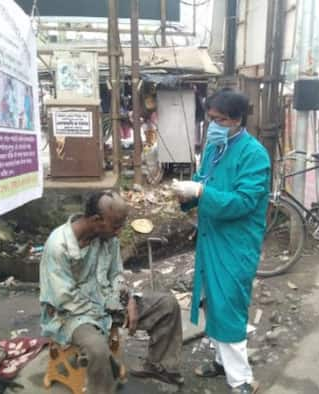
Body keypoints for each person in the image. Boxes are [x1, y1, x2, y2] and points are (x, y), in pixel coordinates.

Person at [173, 89, 270, 394]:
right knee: (212, 301)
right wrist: (186, 195)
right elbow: (203, 182)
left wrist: (201, 193)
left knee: (229, 305)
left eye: (218, 119)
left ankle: (241, 381)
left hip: (236, 243)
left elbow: (243, 202)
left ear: (236, 120)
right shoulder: (216, 147)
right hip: (211, 239)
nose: (211, 125)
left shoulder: (254, 154)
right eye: (209, 118)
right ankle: (220, 361)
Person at [39, 191, 184, 393]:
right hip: (72, 315)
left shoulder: (107, 238)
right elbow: (64, 298)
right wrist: (108, 314)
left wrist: (129, 299)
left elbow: (116, 274)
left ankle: (160, 367)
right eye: (116, 226)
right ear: (96, 220)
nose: (119, 232)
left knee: (167, 305)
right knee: (97, 349)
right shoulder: (58, 246)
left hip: (108, 305)